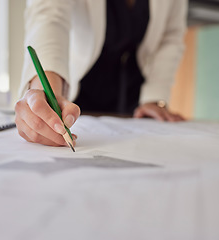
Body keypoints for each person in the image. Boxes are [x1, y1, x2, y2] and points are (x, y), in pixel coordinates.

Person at [15, 0, 187, 147]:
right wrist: (45, 89)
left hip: (136, 99)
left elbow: (170, 36)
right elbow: (49, 15)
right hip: (78, 94)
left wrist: (155, 97)